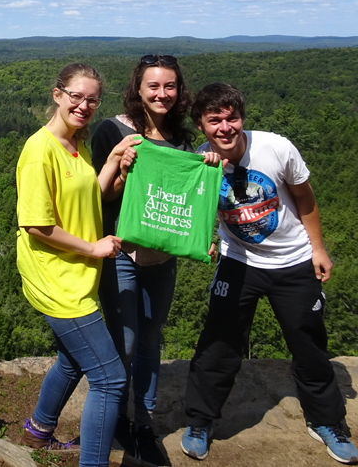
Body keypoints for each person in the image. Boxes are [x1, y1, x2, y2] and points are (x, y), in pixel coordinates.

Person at [179, 83, 358, 464]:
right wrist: (203, 240)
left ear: (241, 118)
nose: (225, 127)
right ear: (201, 125)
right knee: (219, 342)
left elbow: (305, 198)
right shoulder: (203, 160)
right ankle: (200, 421)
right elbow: (198, 209)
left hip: (293, 262)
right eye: (215, 120)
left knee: (308, 343)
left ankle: (327, 421)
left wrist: (319, 249)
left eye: (232, 118)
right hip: (239, 262)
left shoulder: (276, 148)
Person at [91, 54, 218, 466]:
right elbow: (101, 197)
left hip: (164, 257)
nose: (162, 94)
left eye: (170, 86)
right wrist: (121, 166)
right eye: (154, 86)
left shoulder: (182, 140)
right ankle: (115, 419)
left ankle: (142, 422)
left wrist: (209, 163)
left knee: (150, 339)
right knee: (124, 342)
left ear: (179, 91)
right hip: (123, 253)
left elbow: (185, 198)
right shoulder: (112, 130)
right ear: (138, 89)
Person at [16, 63, 141, 466]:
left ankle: (38, 430)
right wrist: (92, 249)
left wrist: (114, 161)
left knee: (72, 360)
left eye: (92, 99)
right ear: (57, 95)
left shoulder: (77, 142)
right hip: (59, 282)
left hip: (76, 276)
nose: (84, 105)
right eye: (76, 96)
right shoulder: (40, 151)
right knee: (110, 379)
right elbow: (37, 225)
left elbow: (90, 195)